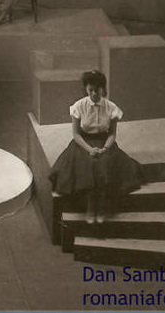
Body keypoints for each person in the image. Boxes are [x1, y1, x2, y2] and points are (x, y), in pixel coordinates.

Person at [48, 70, 144, 224]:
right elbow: (76, 135)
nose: (94, 93)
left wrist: (105, 148)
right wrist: (89, 149)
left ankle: (101, 207)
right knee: (89, 164)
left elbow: (112, 134)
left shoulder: (111, 107)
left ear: (103, 89)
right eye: (90, 90)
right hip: (83, 143)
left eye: (97, 90)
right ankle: (90, 207)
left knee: (104, 162)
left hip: (104, 142)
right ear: (86, 89)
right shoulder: (79, 106)